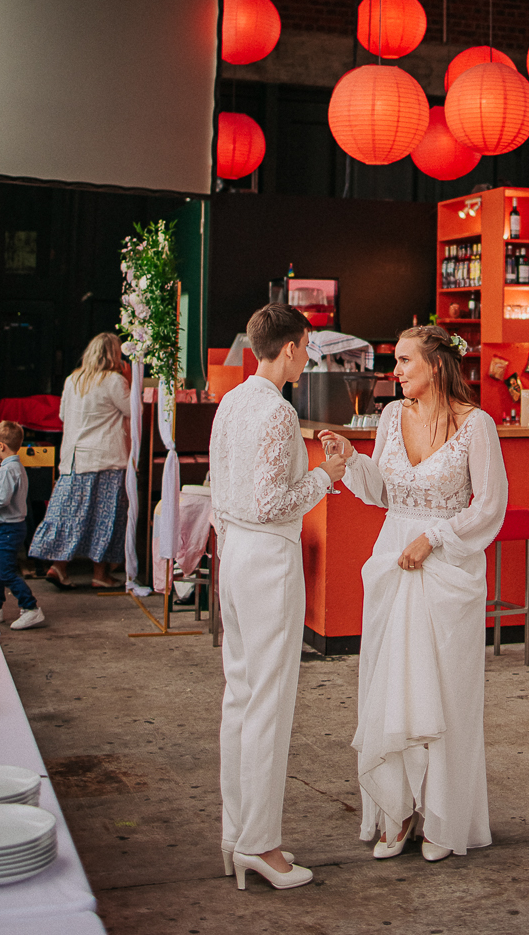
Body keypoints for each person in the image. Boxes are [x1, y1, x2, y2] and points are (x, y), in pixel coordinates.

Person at [322, 324, 508, 863]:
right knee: (390, 685)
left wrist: (435, 537)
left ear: (436, 365)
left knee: (444, 693)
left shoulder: (477, 425)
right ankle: (396, 812)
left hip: (447, 567)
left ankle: (443, 817)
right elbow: (382, 491)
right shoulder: (389, 417)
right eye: (397, 361)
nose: (396, 370)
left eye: (405, 361)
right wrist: (351, 459)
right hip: (392, 561)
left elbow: (489, 505)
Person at [209, 303, 346, 893]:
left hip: (233, 554)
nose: (307, 357)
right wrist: (328, 473)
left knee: (240, 696)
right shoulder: (279, 412)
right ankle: (260, 844)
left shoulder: (231, 401)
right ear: (290, 349)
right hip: (267, 558)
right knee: (269, 702)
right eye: (306, 347)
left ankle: (236, 834)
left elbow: (221, 488)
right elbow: (274, 503)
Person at [30, 332, 130, 590]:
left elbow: (63, 415)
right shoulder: (114, 381)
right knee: (105, 518)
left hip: (73, 459)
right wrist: (130, 379)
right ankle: (100, 574)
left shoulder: (73, 379)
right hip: (105, 457)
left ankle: (59, 567)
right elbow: (133, 411)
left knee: (68, 514)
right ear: (114, 354)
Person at [0, 421, 44, 630]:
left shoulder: (6, 470)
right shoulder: (15, 467)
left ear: (1, 446)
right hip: (7, 528)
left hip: (8, 529)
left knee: (6, 573)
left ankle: (31, 608)